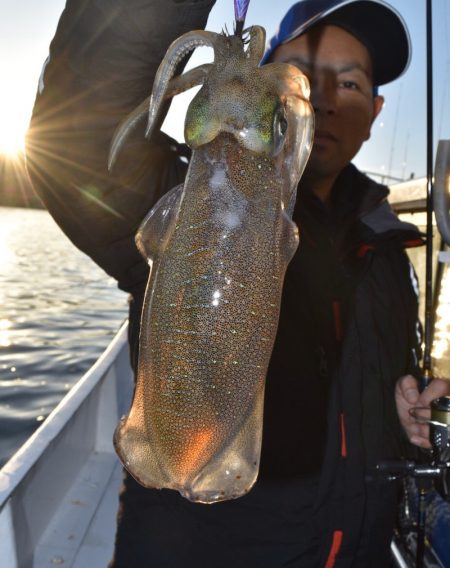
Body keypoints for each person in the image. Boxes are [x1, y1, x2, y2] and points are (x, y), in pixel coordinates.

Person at [26, 0, 450, 566]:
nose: (321, 98)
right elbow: (77, 147)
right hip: (202, 538)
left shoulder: (389, 246)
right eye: (303, 71)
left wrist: (401, 414)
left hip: (354, 538)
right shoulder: (174, 193)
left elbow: (372, 381)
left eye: (347, 83)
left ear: (375, 112)